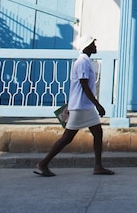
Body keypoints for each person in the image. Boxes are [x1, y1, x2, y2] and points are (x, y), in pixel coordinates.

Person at [34, 36, 114, 177]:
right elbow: (84, 85)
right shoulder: (82, 62)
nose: (95, 46)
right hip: (81, 106)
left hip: (84, 106)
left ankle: (98, 166)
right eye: (93, 44)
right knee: (67, 138)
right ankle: (43, 163)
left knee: (97, 133)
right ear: (87, 46)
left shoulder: (85, 61)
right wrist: (98, 104)